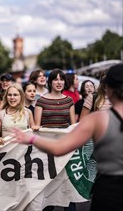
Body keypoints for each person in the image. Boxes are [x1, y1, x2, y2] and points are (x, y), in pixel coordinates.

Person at [12, 64, 123, 211]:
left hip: (109, 191)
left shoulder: (98, 119)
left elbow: (59, 148)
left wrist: (31, 139)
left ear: (107, 88)